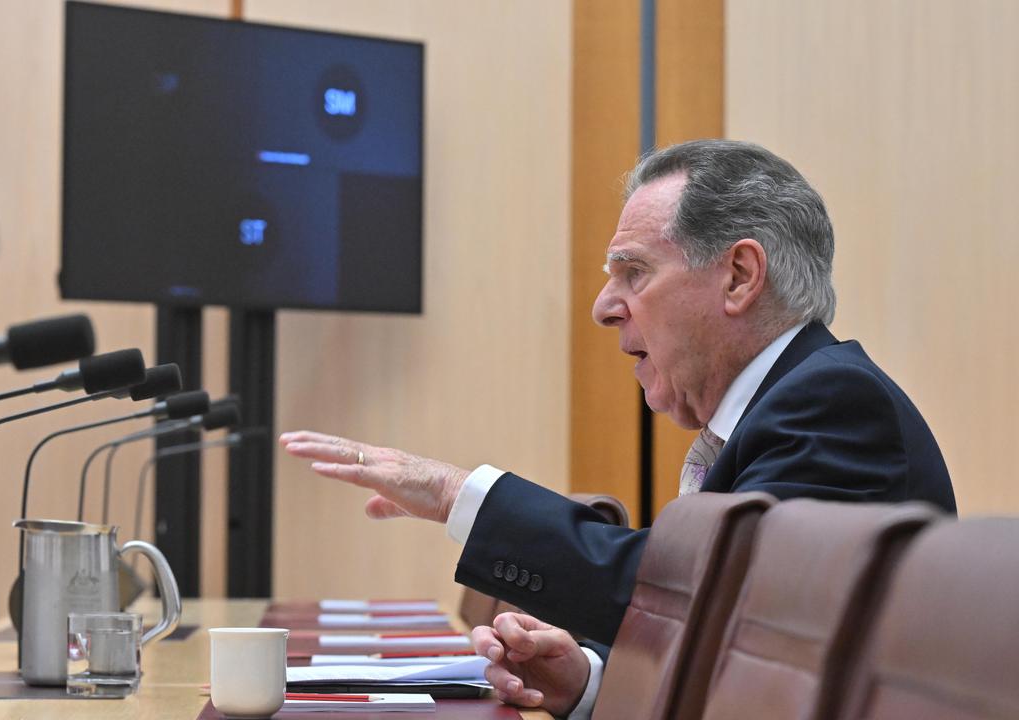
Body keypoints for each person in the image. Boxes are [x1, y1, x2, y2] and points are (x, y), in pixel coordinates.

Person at [280, 139, 956, 717]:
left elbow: (709, 597)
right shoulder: (784, 405)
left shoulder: (833, 402)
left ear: (740, 277)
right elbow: (729, 652)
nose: (605, 307)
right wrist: (586, 681)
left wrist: (458, 494)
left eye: (633, 272)